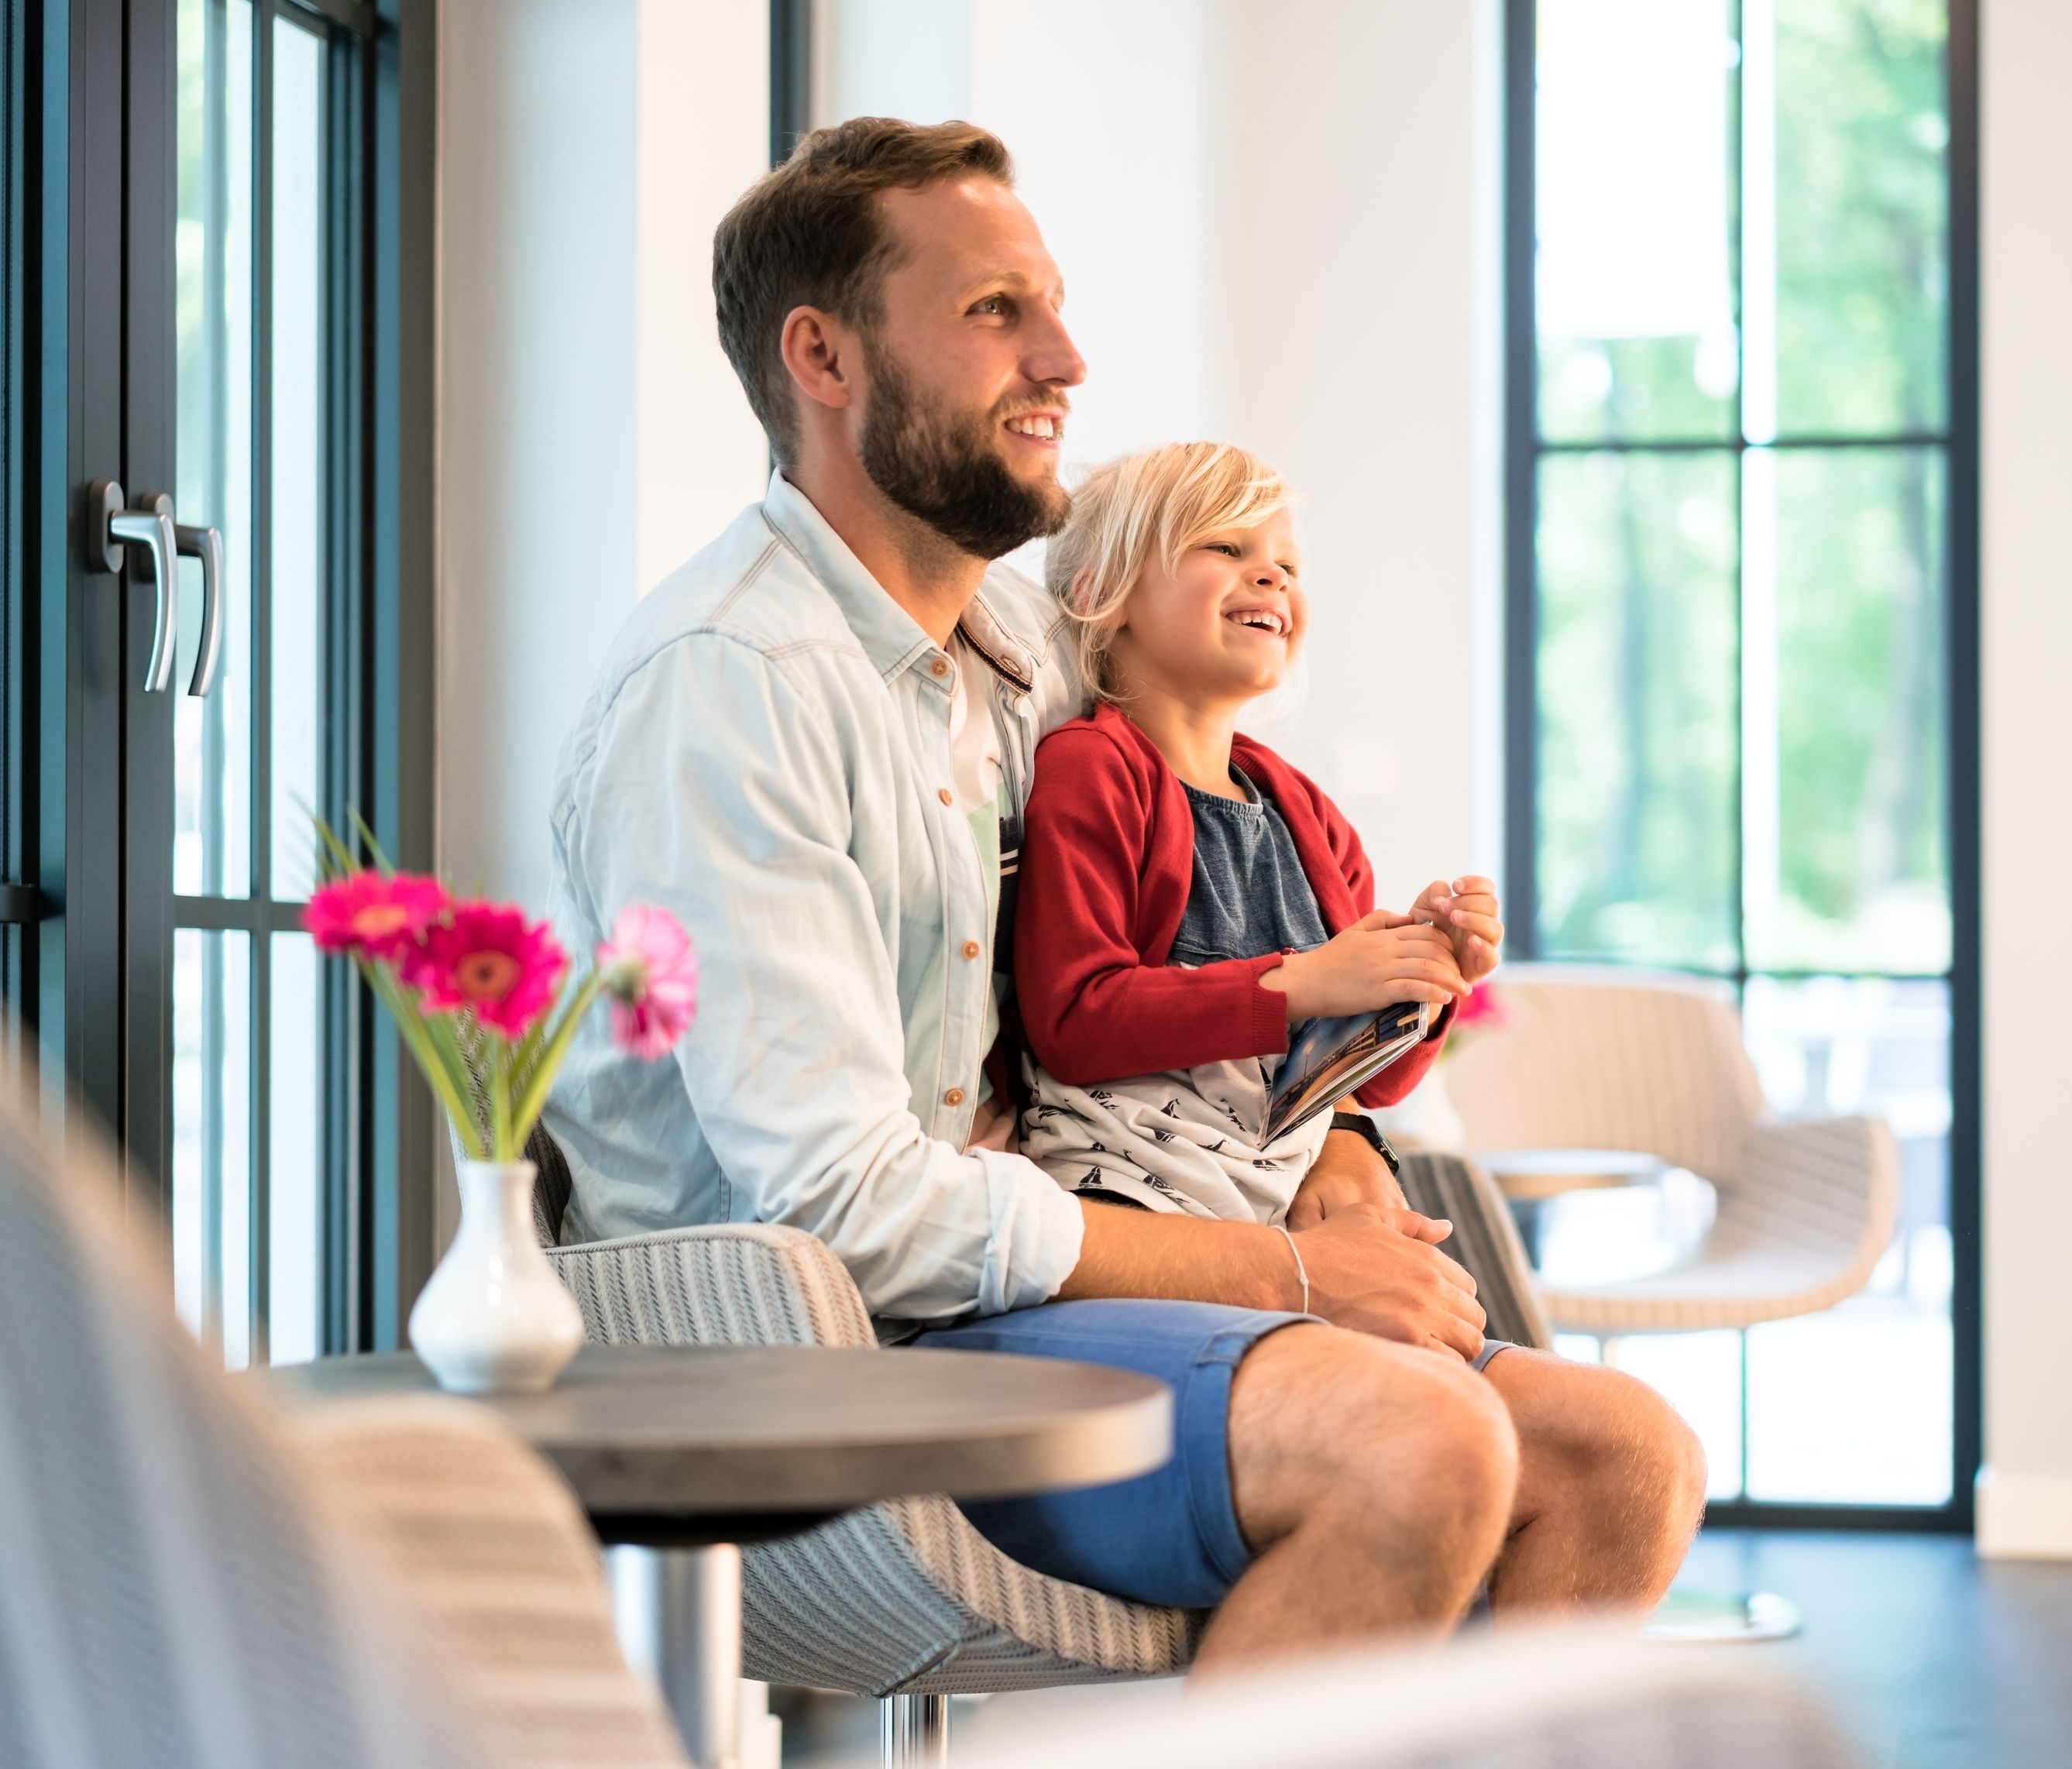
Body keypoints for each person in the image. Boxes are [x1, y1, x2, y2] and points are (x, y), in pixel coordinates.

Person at [541, 116, 1704, 1668]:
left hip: (1050, 1294)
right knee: (1417, 1442)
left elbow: (1195, 958)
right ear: (819, 355)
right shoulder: (731, 686)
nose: (1065, 358)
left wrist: (1335, 1153)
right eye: (993, 312)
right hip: (815, 1363)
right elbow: (843, 1208)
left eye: (1055, 306)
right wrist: (1284, 1269)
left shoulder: (1035, 660)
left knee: (1621, 1456)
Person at [1012, 441, 1490, 1231]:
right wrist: (1303, 980)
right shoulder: (1091, 769)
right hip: (1137, 1210)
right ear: (1108, 595)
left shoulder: (1313, 819)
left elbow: (1365, 1085)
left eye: (1287, 565)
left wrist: (1425, 986)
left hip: (1277, 1207)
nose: (1271, 576)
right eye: (1226, 547)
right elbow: (1074, 1021)